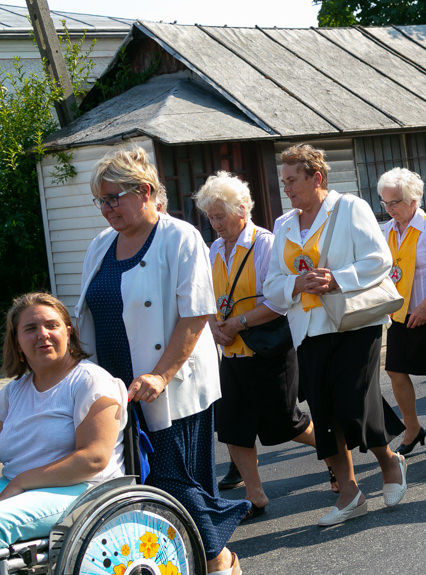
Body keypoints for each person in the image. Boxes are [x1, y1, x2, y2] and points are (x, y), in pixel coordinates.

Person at [77, 147, 246, 575]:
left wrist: (160, 373)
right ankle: (179, 561)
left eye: (114, 197)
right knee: (136, 485)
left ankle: (218, 560)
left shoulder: (179, 237)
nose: (107, 208)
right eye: (102, 200)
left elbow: (195, 315)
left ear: (146, 191)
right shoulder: (100, 245)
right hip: (115, 389)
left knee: (177, 483)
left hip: (170, 386)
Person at [263, 144, 407, 527]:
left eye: (293, 181)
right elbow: (271, 284)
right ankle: (350, 492)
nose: (287, 189)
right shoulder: (283, 225)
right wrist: (296, 283)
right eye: (284, 182)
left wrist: (337, 279)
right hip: (308, 328)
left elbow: (380, 260)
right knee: (324, 411)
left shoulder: (349, 208)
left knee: (354, 401)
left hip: (354, 321)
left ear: (317, 178)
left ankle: (389, 463)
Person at [193, 171, 326, 520]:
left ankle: (334, 458)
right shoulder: (214, 250)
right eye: (210, 216)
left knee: (287, 423)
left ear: (241, 210)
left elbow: (280, 300)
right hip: (232, 351)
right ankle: (254, 496)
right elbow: (208, 298)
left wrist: (239, 322)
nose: (215, 223)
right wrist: (214, 327)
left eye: (220, 215)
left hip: (269, 349)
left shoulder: (266, 243)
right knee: (234, 426)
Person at [0, 292, 126, 548]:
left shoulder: (91, 381)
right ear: (17, 342)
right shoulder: (13, 392)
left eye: (51, 325)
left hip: (80, 489)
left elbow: (93, 458)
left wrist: (20, 481)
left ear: (68, 332)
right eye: (30, 328)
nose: (42, 334)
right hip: (19, 488)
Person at [377, 168, 426, 454]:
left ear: (413, 200)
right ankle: (412, 427)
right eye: (385, 203)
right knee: (395, 370)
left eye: (394, 202)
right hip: (399, 312)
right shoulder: (387, 230)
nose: (389, 209)